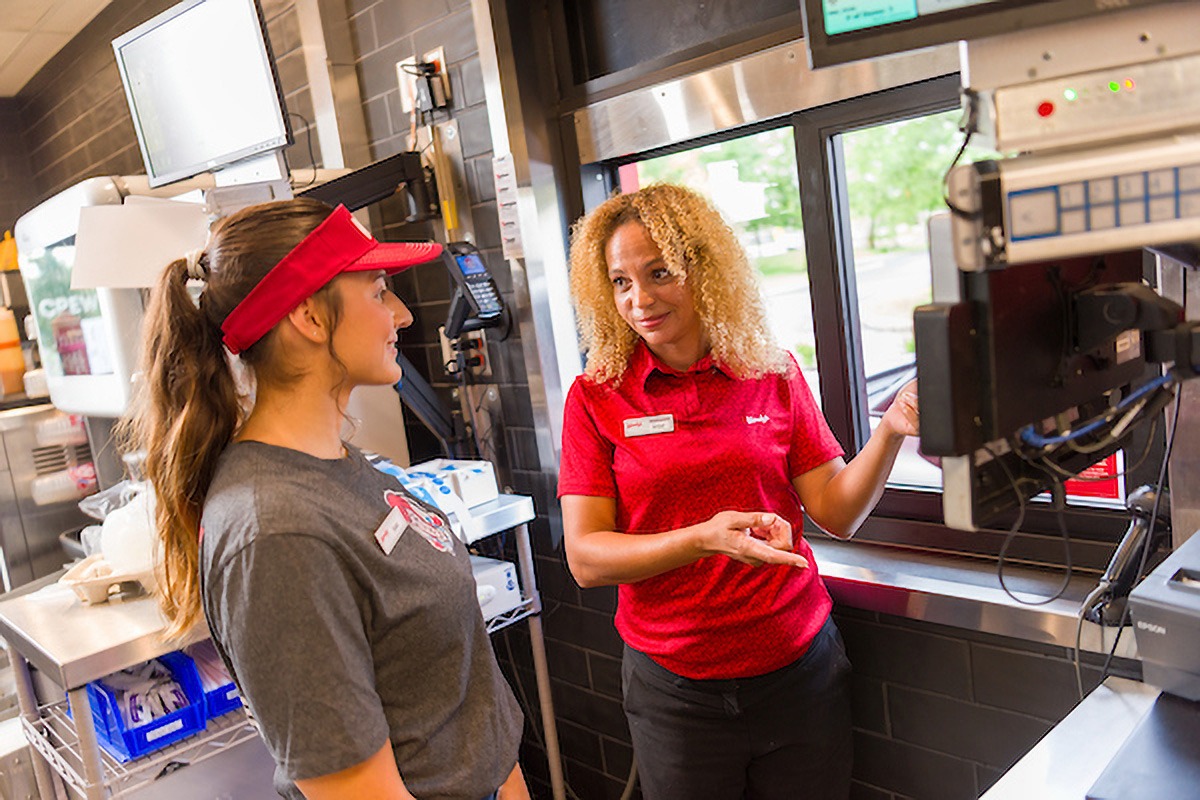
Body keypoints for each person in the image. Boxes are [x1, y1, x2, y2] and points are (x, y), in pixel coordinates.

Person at [121, 198, 527, 800]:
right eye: (378, 290)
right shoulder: (276, 534)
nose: (404, 315)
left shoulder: (338, 464)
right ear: (310, 315)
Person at [557, 184, 919, 800]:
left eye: (659, 272)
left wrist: (889, 430)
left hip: (799, 672)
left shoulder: (771, 371)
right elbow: (586, 558)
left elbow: (836, 511)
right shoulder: (595, 397)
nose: (639, 300)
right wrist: (701, 540)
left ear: (704, 269)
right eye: (620, 282)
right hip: (675, 691)